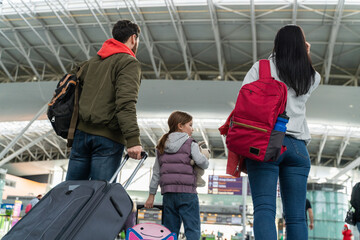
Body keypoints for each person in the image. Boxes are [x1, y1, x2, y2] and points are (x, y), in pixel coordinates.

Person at [242, 25, 320, 240]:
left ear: (277, 44)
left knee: (265, 209)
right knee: (296, 216)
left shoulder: (262, 67)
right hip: (299, 148)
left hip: (266, 142)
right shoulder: (312, 76)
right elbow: (303, 71)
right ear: (301, 46)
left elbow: (245, 98)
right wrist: (306, 54)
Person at [65, 20, 143, 181]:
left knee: (71, 192)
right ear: (133, 38)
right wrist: (133, 140)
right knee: (99, 195)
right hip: (107, 138)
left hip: (80, 135)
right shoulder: (128, 62)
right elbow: (125, 104)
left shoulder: (90, 63)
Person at [144, 111, 209, 239]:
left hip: (168, 195)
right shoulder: (191, 143)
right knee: (192, 229)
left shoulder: (162, 145)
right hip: (188, 194)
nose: (192, 128)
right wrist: (206, 160)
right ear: (180, 126)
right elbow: (201, 162)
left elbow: (156, 173)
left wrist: (151, 195)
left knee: (169, 231)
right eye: (190, 125)